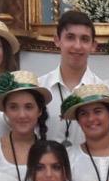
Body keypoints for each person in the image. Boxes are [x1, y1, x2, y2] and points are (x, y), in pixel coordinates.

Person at [38, 10, 102, 146]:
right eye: (70, 37)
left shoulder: (104, 91)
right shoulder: (39, 88)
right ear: (57, 40)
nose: (77, 46)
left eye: (84, 39)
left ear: (93, 46)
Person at [0, 70, 52, 181]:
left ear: (39, 110)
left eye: (28, 107)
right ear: (5, 111)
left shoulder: (51, 151)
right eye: (14, 107)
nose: (22, 115)